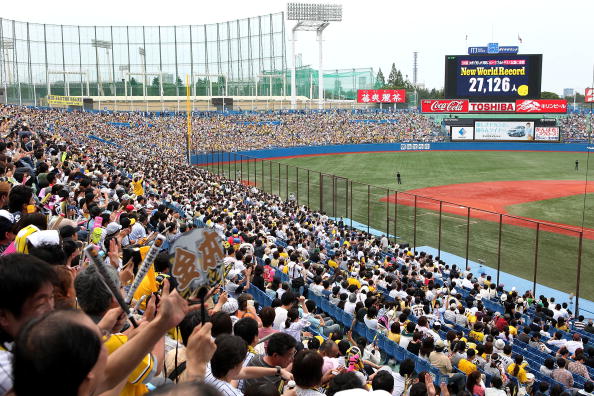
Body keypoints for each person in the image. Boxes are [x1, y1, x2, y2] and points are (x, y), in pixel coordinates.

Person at [0, 254, 56, 395]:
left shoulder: (24, 342)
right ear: (3, 316)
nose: (52, 310)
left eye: (52, 297)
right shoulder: (6, 370)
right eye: (41, 303)